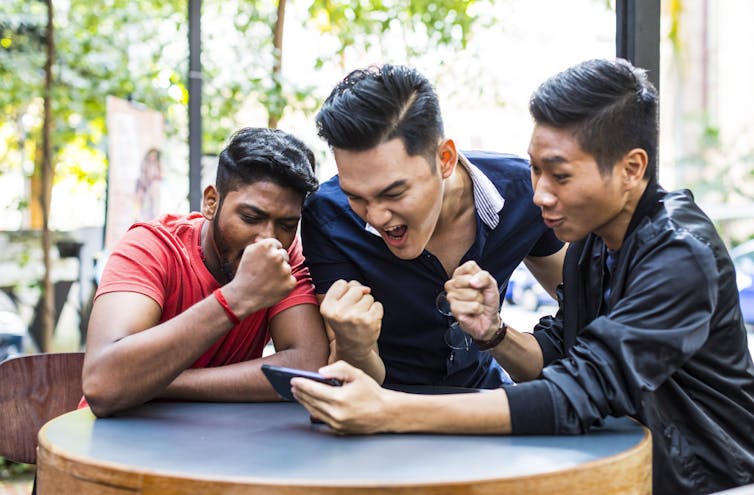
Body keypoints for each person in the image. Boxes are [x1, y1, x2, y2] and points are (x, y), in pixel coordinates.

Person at [292, 59, 754, 495]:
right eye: (534, 169)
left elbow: (578, 392)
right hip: (630, 468)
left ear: (632, 169)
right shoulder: (592, 243)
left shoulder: (680, 253)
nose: (538, 195)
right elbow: (562, 354)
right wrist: (494, 333)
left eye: (560, 176)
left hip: (712, 481)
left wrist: (389, 411)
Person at [301, 64, 566, 390]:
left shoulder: (522, 193)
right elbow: (353, 380)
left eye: (394, 193)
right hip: (384, 415)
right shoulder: (328, 216)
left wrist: (497, 332)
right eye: (355, 196)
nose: (375, 216)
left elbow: (584, 304)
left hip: (486, 404)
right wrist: (354, 345)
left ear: (445, 159)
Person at [83, 127, 329, 417]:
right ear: (211, 202)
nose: (268, 239)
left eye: (287, 225)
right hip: (116, 443)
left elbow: (308, 365)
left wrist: (157, 382)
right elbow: (103, 384)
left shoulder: (285, 257)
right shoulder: (151, 247)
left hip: (220, 443)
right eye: (251, 218)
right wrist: (236, 298)